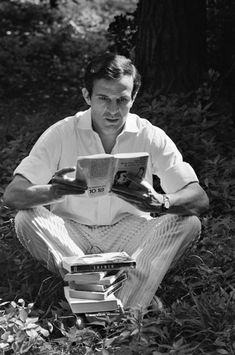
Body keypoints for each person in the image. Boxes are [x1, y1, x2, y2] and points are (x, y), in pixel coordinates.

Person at [3, 52, 209, 310]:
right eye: (103, 99)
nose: (113, 110)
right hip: (71, 234)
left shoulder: (151, 135)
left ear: (133, 97)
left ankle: (106, 306)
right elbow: (14, 195)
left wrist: (160, 202)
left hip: (129, 233)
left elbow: (198, 198)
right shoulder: (62, 132)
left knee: (188, 223)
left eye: (122, 100)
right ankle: (127, 302)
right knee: (26, 218)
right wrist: (55, 191)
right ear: (87, 96)